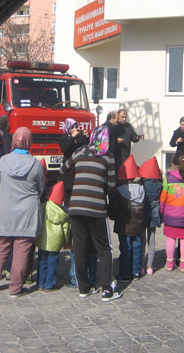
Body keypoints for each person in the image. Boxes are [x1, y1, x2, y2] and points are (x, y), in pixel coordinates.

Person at [61, 125, 121, 302]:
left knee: (79, 248)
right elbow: (111, 185)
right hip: (96, 208)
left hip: (76, 206)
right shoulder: (108, 157)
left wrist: (78, 177)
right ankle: (107, 289)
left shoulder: (80, 152)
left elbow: (63, 169)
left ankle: (83, 287)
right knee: (104, 248)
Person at [0, 127, 46, 297]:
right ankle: (15, 288)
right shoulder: (35, 164)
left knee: (1, 248)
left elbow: (0, 180)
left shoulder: (4, 161)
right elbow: (40, 188)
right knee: (22, 251)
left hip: (5, 210)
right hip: (26, 213)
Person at [112, 155, 145, 282]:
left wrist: (113, 216)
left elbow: (114, 209)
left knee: (125, 248)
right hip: (138, 222)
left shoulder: (120, 190)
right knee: (136, 246)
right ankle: (136, 271)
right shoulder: (142, 189)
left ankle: (125, 273)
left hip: (124, 224)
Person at [35, 181, 71, 291]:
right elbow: (66, 229)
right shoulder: (63, 212)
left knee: (41, 262)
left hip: (42, 240)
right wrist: (67, 241)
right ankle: (50, 284)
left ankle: (40, 283)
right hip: (55, 242)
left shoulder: (42, 207)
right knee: (52, 264)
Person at [139, 156, 162, 275]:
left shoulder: (142, 183)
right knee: (151, 240)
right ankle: (150, 266)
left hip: (143, 213)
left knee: (142, 240)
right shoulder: (159, 184)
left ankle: (141, 265)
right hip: (154, 213)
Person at [59, 118, 89, 205]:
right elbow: (65, 148)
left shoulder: (79, 138)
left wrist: (86, 136)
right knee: (68, 193)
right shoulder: (64, 138)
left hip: (79, 168)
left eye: (76, 127)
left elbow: (86, 146)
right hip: (68, 169)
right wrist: (72, 137)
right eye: (73, 127)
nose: (75, 129)